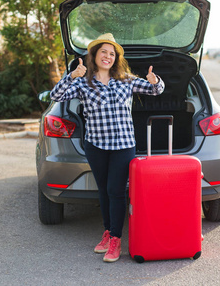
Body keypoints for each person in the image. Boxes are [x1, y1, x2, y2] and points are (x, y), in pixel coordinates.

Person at [50, 33, 165, 262]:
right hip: (96, 146)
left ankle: (115, 239)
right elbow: (56, 95)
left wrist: (155, 81)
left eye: (112, 54)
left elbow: (156, 91)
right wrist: (72, 75)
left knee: (115, 191)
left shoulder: (126, 79)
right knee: (102, 191)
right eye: (104, 52)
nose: (108, 56)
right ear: (94, 55)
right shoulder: (83, 82)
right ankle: (107, 231)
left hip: (123, 145)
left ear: (116, 59)